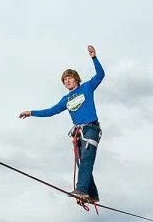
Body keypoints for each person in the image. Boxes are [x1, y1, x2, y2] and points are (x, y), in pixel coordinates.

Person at [19, 45, 105, 203]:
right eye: (64, 80)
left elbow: (100, 75)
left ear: (76, 79)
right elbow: (51, 111)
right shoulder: (66, 99)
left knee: (86, 159)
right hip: (78, 133)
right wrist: (31, 112)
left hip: (91, 128)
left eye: (69, 78)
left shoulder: (87, 87)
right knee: (82, 163)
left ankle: (81, 189)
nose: (67, 80)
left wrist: (94, 57)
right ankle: (91, 194)